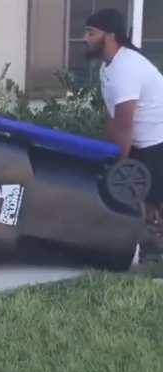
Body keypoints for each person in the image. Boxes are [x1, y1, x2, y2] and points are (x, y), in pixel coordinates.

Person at [84, 8, 163, 234]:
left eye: (91, 33)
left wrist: (118, 169)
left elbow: (124, 127)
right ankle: (152, 250)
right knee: (146, 202)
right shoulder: (108, 66)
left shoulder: (126, 68)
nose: (85, 39)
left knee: (157, 200)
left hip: (157, 141)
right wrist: (108, 155)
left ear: (110, 36)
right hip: (143, 141)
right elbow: (114, 118)